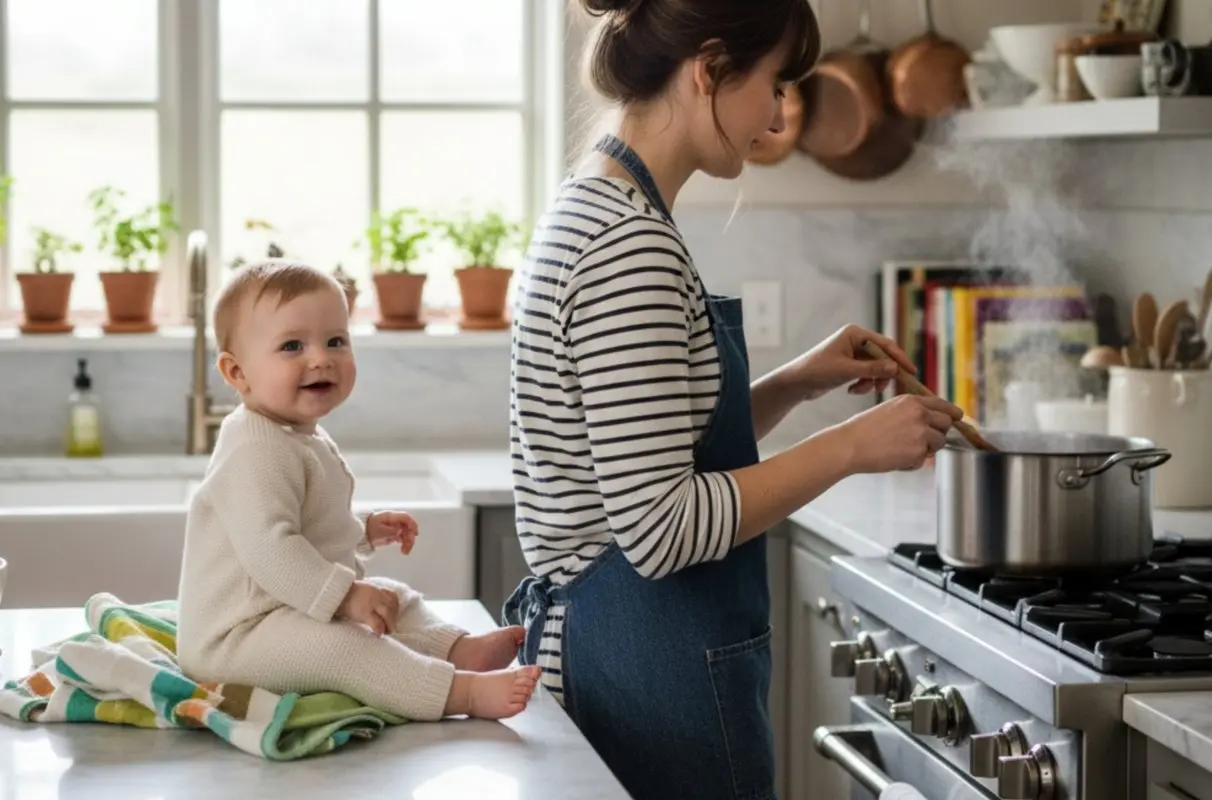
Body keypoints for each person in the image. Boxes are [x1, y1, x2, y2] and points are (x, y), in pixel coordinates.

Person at [502, 0, 963, 797]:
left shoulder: (597, 203)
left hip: (625, 655)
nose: (781, 113)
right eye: (774, 83)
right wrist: (852, 447)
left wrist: (792, 384)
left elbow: (645, 448)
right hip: (647, 672)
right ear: (708, 69)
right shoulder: (627, 246)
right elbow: (661, 528)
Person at [177, 260, 540, 722]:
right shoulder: (253, 447)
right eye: (292, 345)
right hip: (235, 637)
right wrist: (346, 597)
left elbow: (311, 522)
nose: (320, 358)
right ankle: (461, 693)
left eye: (336, 341)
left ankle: (456, 649)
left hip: (285, 609)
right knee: (348, 645)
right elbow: (271, 550)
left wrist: (363, 529)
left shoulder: (294, 433)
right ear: (237, 373)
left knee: (391, 596)